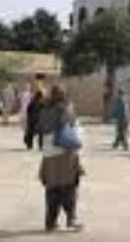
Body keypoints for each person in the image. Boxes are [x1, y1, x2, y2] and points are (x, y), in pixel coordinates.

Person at [38, 85, 84, 232]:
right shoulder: (65, 108)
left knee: (52, 189)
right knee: (69, 187)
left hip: (48, 153)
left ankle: (50, 222)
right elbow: (72, 125)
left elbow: (40, 127)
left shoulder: (44, 109)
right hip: (64, 152)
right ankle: (71, 219)